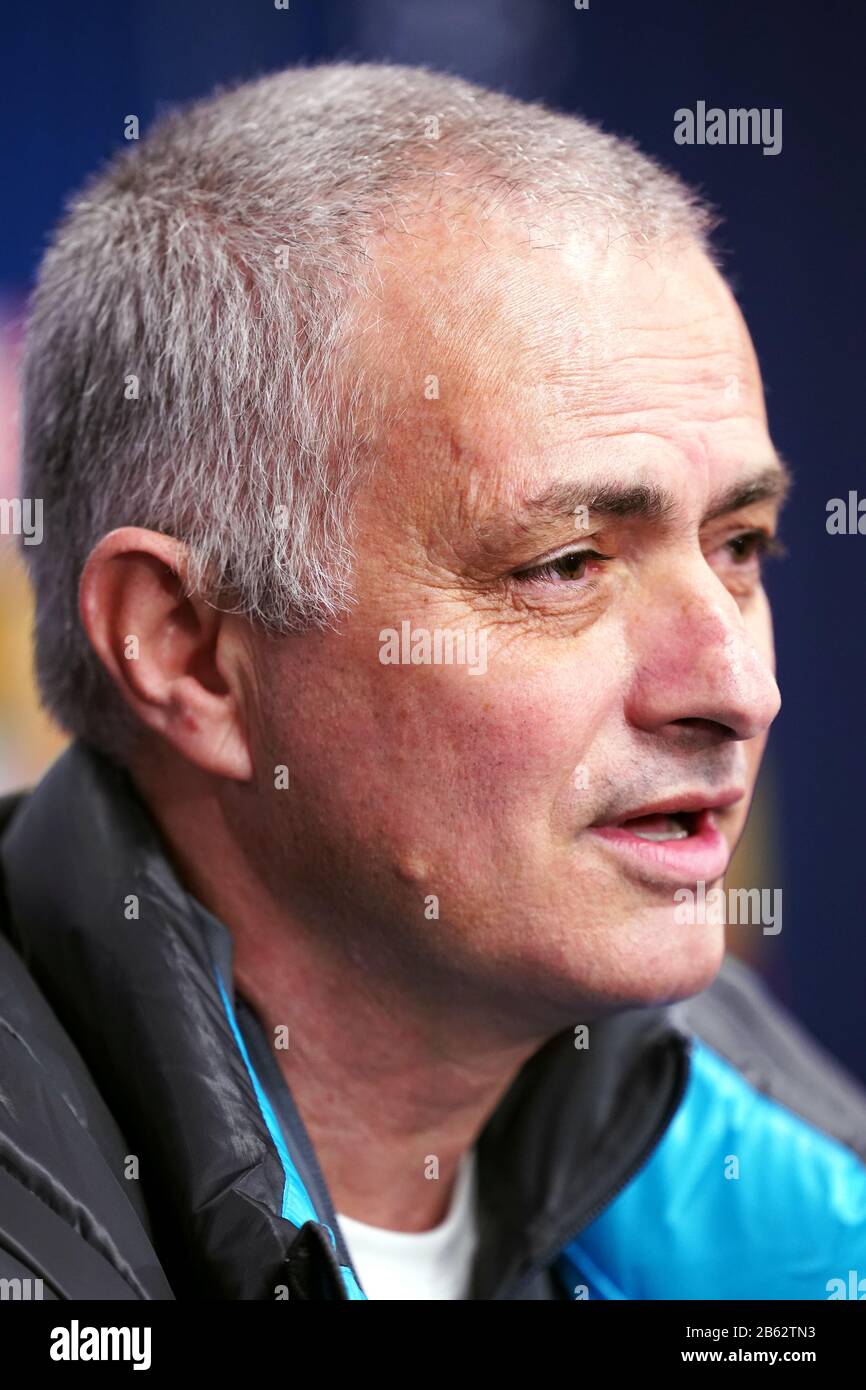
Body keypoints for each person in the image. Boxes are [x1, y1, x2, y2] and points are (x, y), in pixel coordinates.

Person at [1, 61, 864, 1301]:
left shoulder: (778, 1160)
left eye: (738, 547)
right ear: (190, 651)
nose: (736, 687)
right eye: (563, 565)